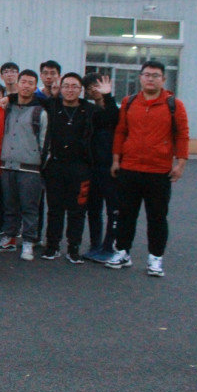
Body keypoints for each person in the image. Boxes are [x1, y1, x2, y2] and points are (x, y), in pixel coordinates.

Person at [106, 61, 189, 277]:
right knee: (125, 214)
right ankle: (122, 252)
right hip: (130, 168)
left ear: (163, 79)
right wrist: (116, 159)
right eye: (146, 75)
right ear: (140, 77)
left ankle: (155, 258)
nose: (150, 79)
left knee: (157, 217)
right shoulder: (129, 102)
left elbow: (182, 135)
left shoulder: (174, 104)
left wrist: (181, 163)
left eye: (155, 75)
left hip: (159, 171)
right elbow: (121, 132)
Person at [39, 72, 99, 264]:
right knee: (54, 209)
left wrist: (105, 96)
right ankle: (52, 246)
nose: (70, 90)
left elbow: (110, 116)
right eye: (66, 86)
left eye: (74, 86)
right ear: (60, 88)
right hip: (55, 166)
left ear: (81, 90)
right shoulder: (52, 105)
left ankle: (74, 249)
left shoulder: (90, 109)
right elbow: (29, 99)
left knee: (77, 210)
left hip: (81, 167)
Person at [0, 69, 47, 261]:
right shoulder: (7, 107)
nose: (26, 86)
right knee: (9, 206)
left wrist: (42, 166)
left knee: (30, 207)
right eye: (23, 82)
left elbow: (45, 141)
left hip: (30, 167)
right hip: (7, 165)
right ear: (17, 84)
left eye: (30, 83)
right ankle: (9, 238)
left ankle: (29, 242)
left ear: (35, 87)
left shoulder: (40, 112)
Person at [81, 73, 120, 262]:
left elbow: (113, 118)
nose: (93, 91)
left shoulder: (114, 108)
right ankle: (95, 245)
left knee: (113, 209)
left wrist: (108, 96)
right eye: (89, 88)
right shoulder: (89, 110)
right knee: (93, 209)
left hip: (111, 168)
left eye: (96, 86)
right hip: (92, 168)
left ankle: (109, 247)